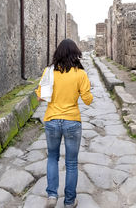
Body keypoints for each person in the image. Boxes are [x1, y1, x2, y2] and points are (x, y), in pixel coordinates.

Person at [35, 39, 93, 208]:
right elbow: (88, 100)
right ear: (75, 54)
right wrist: (87, 90)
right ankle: (69, 201)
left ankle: (52, 195)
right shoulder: (80, 73)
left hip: (52, 120)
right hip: (72, 122)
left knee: (52, 158)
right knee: (72, 162)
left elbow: (40, 97)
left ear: (58, 53)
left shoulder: (49, 71)